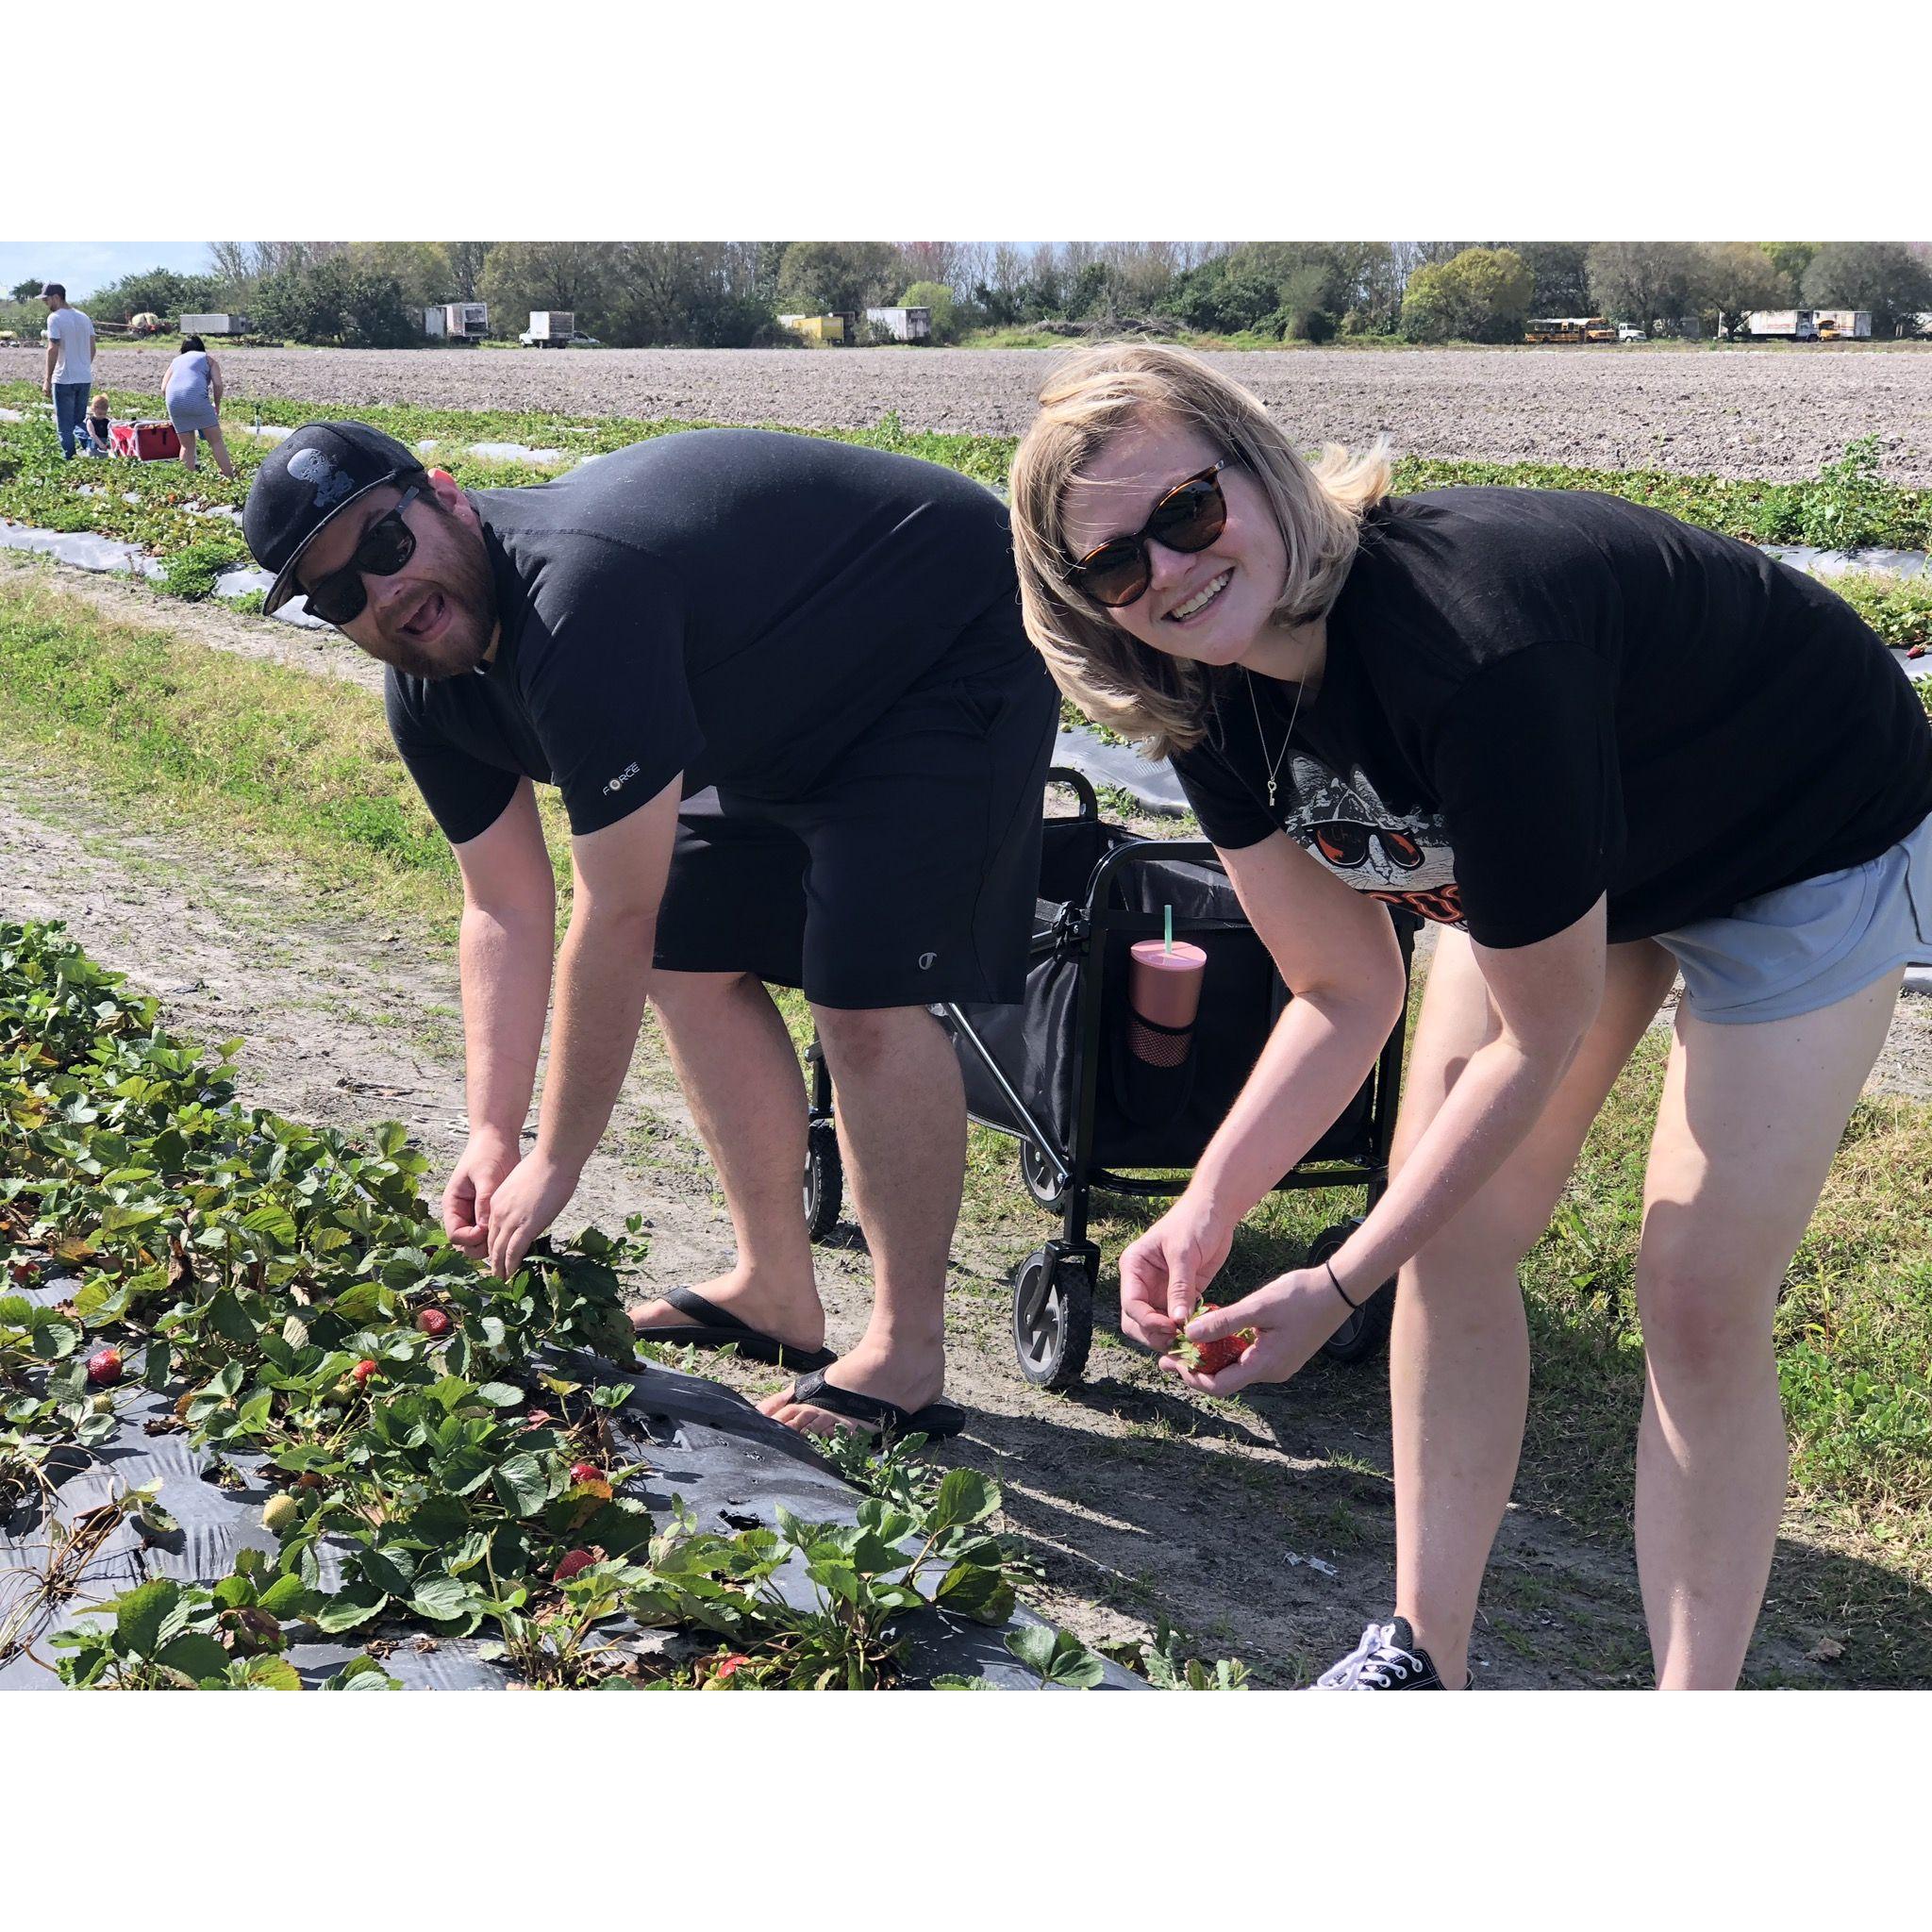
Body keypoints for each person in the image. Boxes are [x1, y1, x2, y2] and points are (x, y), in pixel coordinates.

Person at [1008, 342, 1932, 1690]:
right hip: (1569, 847)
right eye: (1114, 564)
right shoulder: (1203, 696)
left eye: (1189, 513)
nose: (1169, 570)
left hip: (1799, 829)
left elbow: (1533, 1037)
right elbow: (1341, 987)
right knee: (1449, 1230)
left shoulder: (1476, 646)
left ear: (1258, 476)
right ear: (1082, 600)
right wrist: (1211, 1201)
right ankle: (1417, 1655)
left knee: (1693, 1293)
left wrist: (1335, 1284)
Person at [242, 422, 1057, 1443]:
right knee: (688, 957)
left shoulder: (578, 598)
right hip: (772, 686)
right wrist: (494, 1132)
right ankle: (774, 1292)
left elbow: (610, 912)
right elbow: (501, 903)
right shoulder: (427, 692)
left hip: (938, 642)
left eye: (383, 546)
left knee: (862, 995)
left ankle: (903, 1352)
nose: (381, 594)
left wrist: (555, 1161)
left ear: (446, 496)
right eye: (336, 594)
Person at [162, 335, 237, 478]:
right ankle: (230, 477)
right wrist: (217, 404)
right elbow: (218, 384)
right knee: (215, 441)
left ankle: (187, 482)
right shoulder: (208, 360)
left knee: (186, 446)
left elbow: (164, 388)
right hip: (197, 399)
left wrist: (175, 405)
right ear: (202, 348)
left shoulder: (175, 362)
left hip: (173, 401)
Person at [40, 283, 96, 459]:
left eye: (46, 300)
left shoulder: (55, 318)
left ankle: (69, 458)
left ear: (56, 297)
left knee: (64, 424)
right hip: (84, 377)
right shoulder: (84, 317)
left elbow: (53, 348)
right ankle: (94, 449)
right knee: (79, 421)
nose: (45, 304)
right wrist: (84, 365)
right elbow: (92, 347)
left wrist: (47, 378)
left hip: (64, 378)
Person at [81, 392, 113, 456]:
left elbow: (111, 432)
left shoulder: (106, 421)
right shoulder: (90, 421)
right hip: (93, 445)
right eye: (100, 414)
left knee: (104, 460)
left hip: (104, 445)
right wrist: (100, 444)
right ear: (93, 409)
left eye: (104, 414)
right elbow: (92, 434)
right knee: (93, 458)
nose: (102, 416)